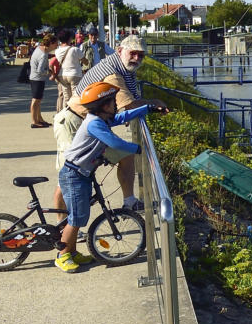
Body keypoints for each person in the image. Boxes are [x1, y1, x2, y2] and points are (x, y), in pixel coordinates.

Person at [52, 34, 168, 214]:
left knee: (125, 155)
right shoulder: (112, 73)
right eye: (133, 53)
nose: (137, 58)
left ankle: (129, 202)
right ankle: (61, 225)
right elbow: (128, 105)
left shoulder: (122, 68)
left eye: (141, 55)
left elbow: (126, 105)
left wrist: (145, 107)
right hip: (73, 123)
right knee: (68, 176)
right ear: (120, 51)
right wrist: (154, 103)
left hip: (94, 124)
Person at [55, 82, 157, 273]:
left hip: (82, 174)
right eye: (112, 101)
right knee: (76, 217)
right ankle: (63, 255)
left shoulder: (100, 119)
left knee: (80, 215)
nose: (116, 104)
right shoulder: (94, 123)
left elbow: (122, 117)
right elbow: (114, 142)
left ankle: (72, 251)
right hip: (74, 175)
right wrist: (139, 148)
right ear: (102, 106)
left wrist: (147, 109)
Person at [28, 34, 58, 128]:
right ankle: (34, 121)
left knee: (38, 100)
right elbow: (40, 70)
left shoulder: (40, 49)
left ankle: (39, 119)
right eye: (56, 43)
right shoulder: (43, 54)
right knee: (35, 100)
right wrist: (49, 72)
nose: (57, 45)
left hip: (34, 78)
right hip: (37, 79)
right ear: (51, 43)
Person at [54, 33, 83, 113]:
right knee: (75, 95)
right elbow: (85, 61)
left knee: (66, 97)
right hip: (74, 74)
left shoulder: (57, 51)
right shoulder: (75, 49)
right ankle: (76, 113)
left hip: (62, 75)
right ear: (69, 39)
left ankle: (66, 113)